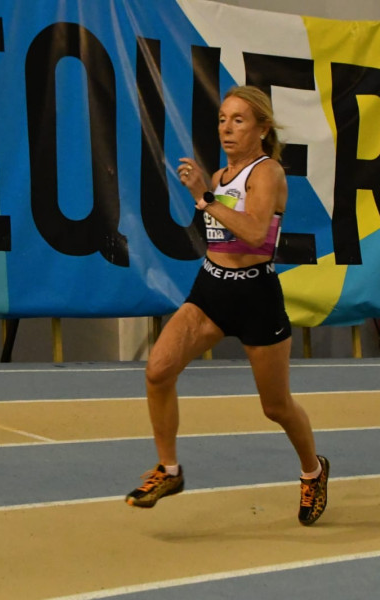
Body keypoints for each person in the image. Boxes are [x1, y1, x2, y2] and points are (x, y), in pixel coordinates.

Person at [125, 85, 329, 526]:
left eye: (239, 120)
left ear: (262, 129)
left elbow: (256, 233)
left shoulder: (268, 172)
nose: (227, 128)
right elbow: (223, 232)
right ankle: (168, 469)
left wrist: (204, 199)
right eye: (222, 119)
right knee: (158, 370)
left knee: (275, 407)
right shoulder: (219, 177)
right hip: (211, 290)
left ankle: (312, 470)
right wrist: (209, 195)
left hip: (257, 297)